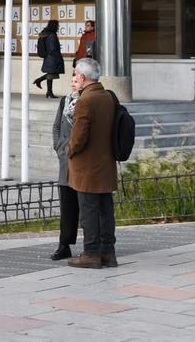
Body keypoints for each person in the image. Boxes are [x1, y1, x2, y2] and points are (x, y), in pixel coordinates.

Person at [66, 58, 119, 269]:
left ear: (82, 77)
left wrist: (70, 150)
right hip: (106, 163)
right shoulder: (107, 96)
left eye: (76, 74)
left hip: (87, 166)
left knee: (88, 210)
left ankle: (91, 253)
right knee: (105, 209)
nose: (74, 78)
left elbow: (79, 136)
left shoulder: (85, 100)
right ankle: (108, 252)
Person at [50, 87, 81, 260]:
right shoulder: (65, 101)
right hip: (65, 160)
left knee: (85, 205)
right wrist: (59, 147)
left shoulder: (89, 101)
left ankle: (92, 246)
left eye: (76, 78)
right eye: (73, 78)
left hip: (82, 159)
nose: (74, 82)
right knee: (66, 203)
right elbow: (56, 126)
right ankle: (64, 245)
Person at [34, 20, 65, 99]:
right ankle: (44, 86)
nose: (58, 27)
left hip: (48, 57)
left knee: (51, 74)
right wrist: (57, 56)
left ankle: (48, 91)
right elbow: (52, 48)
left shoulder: (45, 34)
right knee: (52, 73)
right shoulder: (52, 35)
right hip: (53, 57)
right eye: (57, 25)